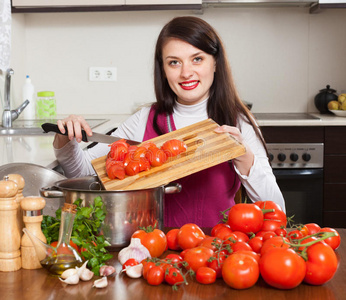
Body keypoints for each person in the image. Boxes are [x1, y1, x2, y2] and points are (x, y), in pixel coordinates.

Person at [53, 16, 285, 228]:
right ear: (163, 70)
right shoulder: (143, 120)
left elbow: (277, 211)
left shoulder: (239, 122)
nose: (186, 73)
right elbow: (82, 172)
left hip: (217, 254)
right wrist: (66, 137)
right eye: (174, 62)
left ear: (215, 63)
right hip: (153, 254)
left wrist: (245, 159)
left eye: (197, 59)